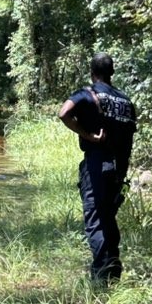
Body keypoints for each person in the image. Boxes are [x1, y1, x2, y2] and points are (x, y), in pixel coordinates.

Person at [58, 52, 137, 283]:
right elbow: (129, 141)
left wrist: (89, 136)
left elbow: (63, 113)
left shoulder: (87, 94)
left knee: (95, 219)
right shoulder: (126, 101)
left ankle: (101, 275)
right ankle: (113, 270)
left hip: (96, 165)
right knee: (109, 217)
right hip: (118, 169)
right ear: (112, 73)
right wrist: (122, 173)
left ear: (92, 73)